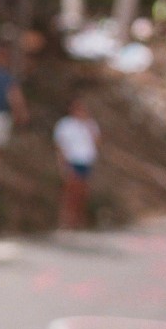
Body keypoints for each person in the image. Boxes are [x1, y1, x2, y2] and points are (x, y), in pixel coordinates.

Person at [52, 97, 100, 230]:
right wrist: (62, 164)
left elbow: (96, 142)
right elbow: (60, 146)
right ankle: (66, 220)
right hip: (72, 161)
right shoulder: (65, 125)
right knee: (70, 191)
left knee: (83, 192)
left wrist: (87, 126)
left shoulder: (90, 124)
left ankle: (78, 220)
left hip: (86, 161)